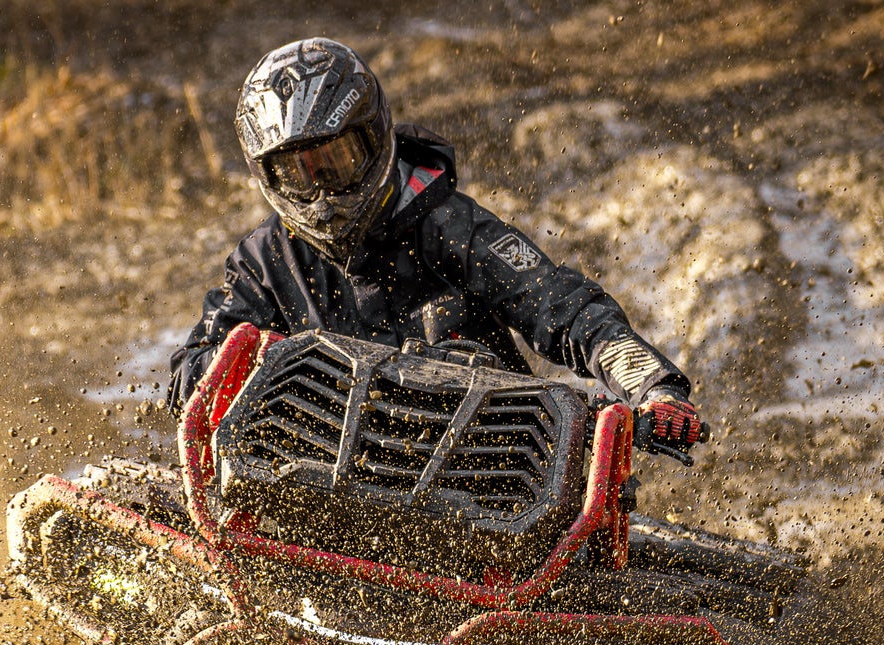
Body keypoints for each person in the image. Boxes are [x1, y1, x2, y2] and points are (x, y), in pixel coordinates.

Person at [165, 37, 702, 449]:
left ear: (376, 137)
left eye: (338, 160)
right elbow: (191, 371)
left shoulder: (449, 223)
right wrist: (280, 367)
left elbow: (559, 303)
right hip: (322, 490)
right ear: (269, 179)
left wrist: (653, 388)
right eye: (299, 175)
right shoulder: (264, 262)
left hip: (490, 478)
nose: (324, 192)